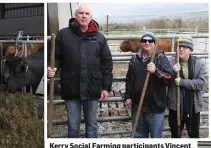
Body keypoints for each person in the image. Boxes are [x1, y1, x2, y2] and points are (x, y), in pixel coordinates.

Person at [47, 4, 113, 138]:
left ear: (91, 17)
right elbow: (56, 57)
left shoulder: (99, 37)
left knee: (92, 125)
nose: (84, 16)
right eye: (81, 13)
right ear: (75, 16)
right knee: (72, 126)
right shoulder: (64, 34)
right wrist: (52, 67)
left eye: (86, 14)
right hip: (71, 87)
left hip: (92, 87)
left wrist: (106, 87)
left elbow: (106, 63)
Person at [124, 32, 174, 138]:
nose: (147, 43)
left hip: (155, 107)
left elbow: (169, 78)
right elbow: (129, 80)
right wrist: (128, 96)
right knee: (139, 136)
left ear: (154, 43)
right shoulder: (134, 59)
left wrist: (156, 71)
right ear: (140, 43)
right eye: (144, 40)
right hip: (137, 106)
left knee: (155, 137)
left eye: (150, 41)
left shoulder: (160, 58)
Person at [167, 37, 207, 138]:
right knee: (175, 135)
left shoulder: (199, 63)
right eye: (180, 46)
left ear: (190, 49)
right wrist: (172, 72)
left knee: (194, 135)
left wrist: (183, 82)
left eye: (185, 47)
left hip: (193, 106)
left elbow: (202, 84)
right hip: (175, 106)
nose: (181, 49)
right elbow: (162, 81)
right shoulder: (170, 62)